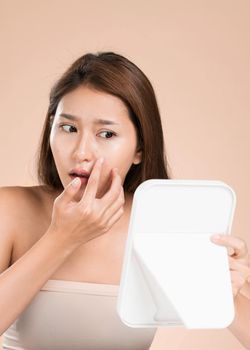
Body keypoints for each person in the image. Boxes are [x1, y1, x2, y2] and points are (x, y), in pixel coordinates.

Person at [0, 51, 249, 350]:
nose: (81, 152)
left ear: (139, 149)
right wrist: (62, 237)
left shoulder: (163, 225)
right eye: (69, 128)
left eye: (106, 134)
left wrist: (226, 294)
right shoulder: (11, 210)